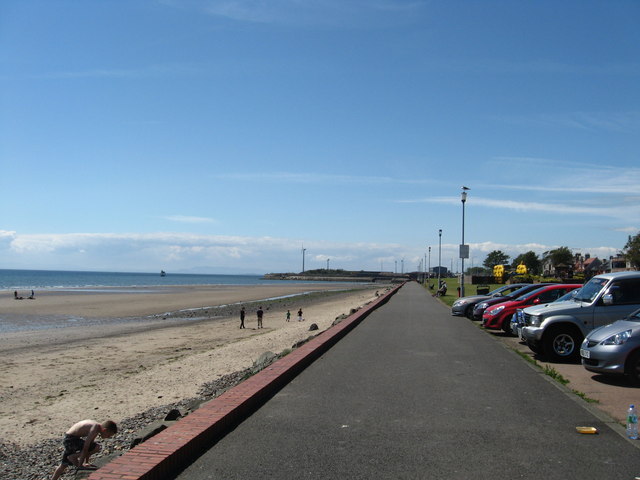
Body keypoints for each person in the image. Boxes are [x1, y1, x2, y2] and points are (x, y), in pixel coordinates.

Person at [50, 419, 117, 480]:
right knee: (96, 447)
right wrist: (81, 465)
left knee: (63, 464)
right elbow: (86, 447)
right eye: (108, 435)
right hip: (71, 440)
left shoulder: (97, 428)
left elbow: (90, 445)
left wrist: (87, 462)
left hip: (69, 439)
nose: (107, 437)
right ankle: (73, 457)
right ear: (104, 430)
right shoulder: (95, 428)